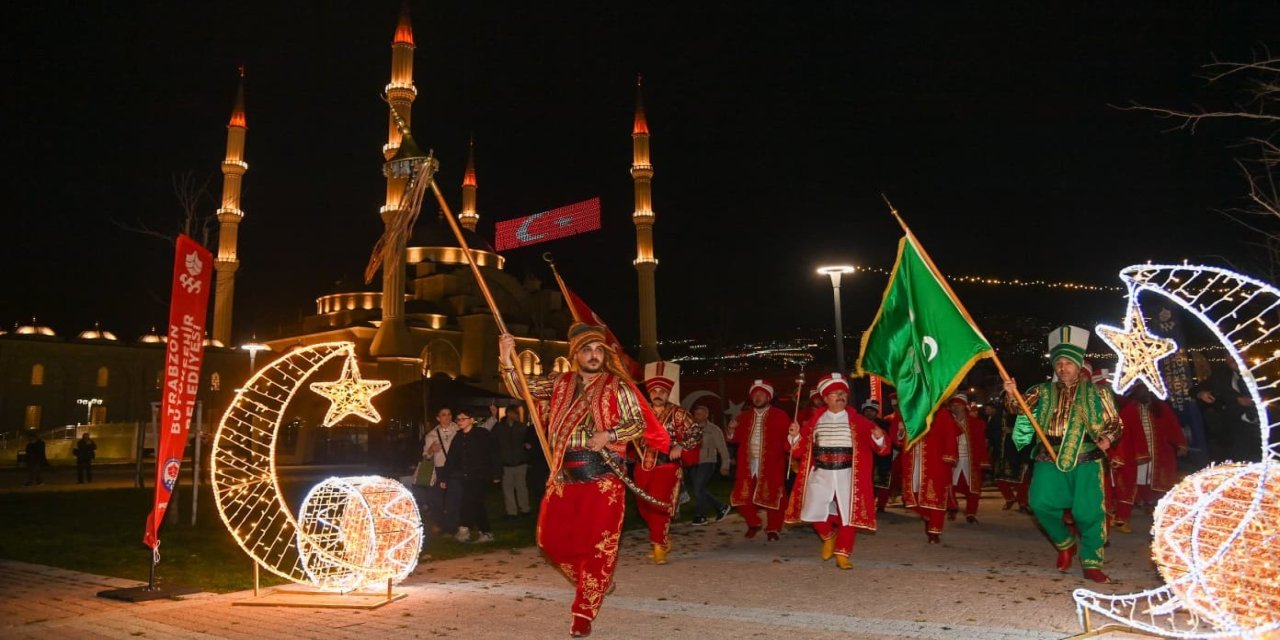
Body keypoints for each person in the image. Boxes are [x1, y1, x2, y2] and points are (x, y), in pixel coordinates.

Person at [498, 323, 669, 638]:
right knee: (549, 542)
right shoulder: (559, 382)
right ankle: (595, 582)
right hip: (563, 477)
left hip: (602, 479)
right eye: (587, 350)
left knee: (596, 550)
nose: (593, 355)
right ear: (575, 354)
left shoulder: (617, 385)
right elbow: (520, 387)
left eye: (598, 350)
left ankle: (583, 613)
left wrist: (609, 434)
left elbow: (639, 422)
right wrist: (507, 358)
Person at [1004, 325, 1123, 584]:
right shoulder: (1042, 390)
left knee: (1088, 513)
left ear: (1079, 365)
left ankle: (1092, 562)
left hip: (1087, 458)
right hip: (1049, 456)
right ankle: (1065, 542)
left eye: (1068, 362)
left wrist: (1107, 438)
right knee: (1039, 503)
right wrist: (1011, 392)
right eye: (1059, 363)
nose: (1062, 368)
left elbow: (1115, 423)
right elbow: (1017, 409)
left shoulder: (1098, 392)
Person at [785, 374, 889, 570]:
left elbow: (882, 448)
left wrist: (878, 437)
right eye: (835, 393)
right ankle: (828, 536)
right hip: (821, 472)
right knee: (811, 511)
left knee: (848, 513)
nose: (840, 396)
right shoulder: (814, 421)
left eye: (843, 393)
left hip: (848, 473)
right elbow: (797, 450)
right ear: (825, 398)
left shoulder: (859, 420)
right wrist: (795, 435)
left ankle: (843, 553)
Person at [634, 364, 701, 564]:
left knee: (659, 506)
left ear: (667, 393)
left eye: (662, 391)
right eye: (654, 390)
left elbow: (696, 432)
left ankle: (658, 546)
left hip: (666, 467)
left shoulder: (678, 413)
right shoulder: (641, 412)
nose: (657, 394)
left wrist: (681, 445)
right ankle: (663, 537)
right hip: (642, 466)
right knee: (644, 506)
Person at [1116, 383, 1187, 532]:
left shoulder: (1161, 408)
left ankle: (1157, 510)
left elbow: (1173, 426)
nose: (1145, 392)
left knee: (1157, 482)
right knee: (1133, 483)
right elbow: (1121, 431)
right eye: (1142, 389)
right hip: (1135, 455)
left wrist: (1180, 443)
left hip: (1160, 454)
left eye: (1148, 389)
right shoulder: (1129, 409)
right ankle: (1125, 517)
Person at [727, 379, 793, 540]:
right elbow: (732, 439)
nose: (757, 397)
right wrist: (730, 429)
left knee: (774, 497)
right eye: (755, 394)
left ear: (768, 397)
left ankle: (773, 529)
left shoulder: (780, 416)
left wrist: (793, 436)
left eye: (761, 394)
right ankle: (754, 523)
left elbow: (789, 441)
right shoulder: (743, 416)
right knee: (741, 497)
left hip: (772, 464)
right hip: (747, 464)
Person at [440, 407, 501, 543]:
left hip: (480, 476)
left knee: (468, 501)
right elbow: (451, 458)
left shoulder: (482, 434)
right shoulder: (458, 437)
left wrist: (497, 473)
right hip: (466, 476)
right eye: (458, 419)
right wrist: (444, 477)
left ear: (472, 420)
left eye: (463, 419)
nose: (459, 421)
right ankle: (486, 533)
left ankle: (464, 528)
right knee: (477, 503)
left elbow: (493, 453)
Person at [899, 403, 958, 543]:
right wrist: (901, 431)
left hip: (936, 460)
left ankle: (934, 531)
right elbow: (899, 438)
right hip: (913, 459)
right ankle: (927, 516)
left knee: (935, 495)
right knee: (913, 494)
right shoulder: (909, 409)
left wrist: (949, 456)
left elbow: (950, 435)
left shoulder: (942, 412)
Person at [945, 394, 989, 524]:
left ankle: (971, 513)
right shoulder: (947, 422)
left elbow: (981, 443)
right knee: (949, 485)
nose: (955, 408)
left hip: (970, 460)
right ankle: (952, 507)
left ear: (964, 406)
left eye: (957, 405)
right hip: (953, 459)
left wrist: (983, 459)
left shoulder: (976, 424)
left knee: (973, 487)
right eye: (952, 405)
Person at [688, 405, 731, 526]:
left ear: (707, 415)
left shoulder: (713, 430)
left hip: (707, 462)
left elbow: (722, 448)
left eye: (701, 414)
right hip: (693, 463)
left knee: (698, 489)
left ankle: (700, 515)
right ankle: (721, 507)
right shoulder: (690, 429)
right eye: (696, 414)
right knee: (699, 489)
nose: (698, 416)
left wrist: (725, 465)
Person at [422, 407, 461, 535]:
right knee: (437, 499)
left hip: (455, 469)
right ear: (438, 418)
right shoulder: (432, 435)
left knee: (453, 499)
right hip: (439, 469)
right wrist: (431, 450)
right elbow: (425, 456)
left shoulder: (458, 429)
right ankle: (440, 523)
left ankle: (452, 527)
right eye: (443, 414)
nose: (447, 417)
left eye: (449, 414)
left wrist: (493, 418)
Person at [987, 399, 1030, 513]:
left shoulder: (1023, 413)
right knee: (999, 477)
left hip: (1018, 451)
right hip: (1001, 451)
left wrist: (1012, 431)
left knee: (1021, 478)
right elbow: (990, 432)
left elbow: (1029, 431)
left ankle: (1023, 502)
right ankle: (1010, 498)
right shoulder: (998, 415)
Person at [494, 405, 534, 519]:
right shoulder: (500, 428)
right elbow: (494, 442)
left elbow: (529, 440)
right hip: (506, 463)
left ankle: (525, 509)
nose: (517, 415)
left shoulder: (522, 427)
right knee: (508, 488)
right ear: (509, 414)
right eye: (515, 413)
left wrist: (527, 448)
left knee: (521, 486)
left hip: (520, 461)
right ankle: (512, 512)